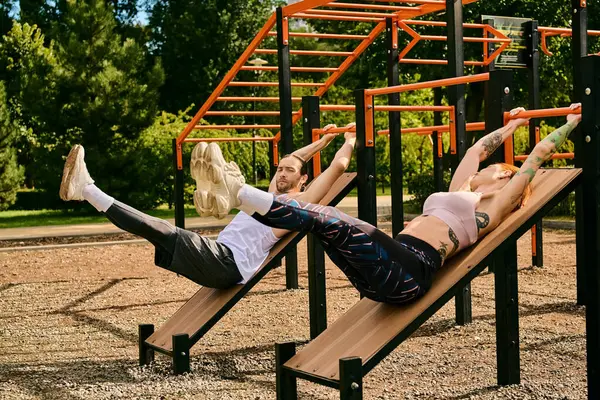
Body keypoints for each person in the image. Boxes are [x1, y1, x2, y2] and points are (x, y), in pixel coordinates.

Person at [197, 104, 582, 305]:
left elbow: (538, 157)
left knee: (329, 218)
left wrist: (570, 122)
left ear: (501, 177)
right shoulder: (460, 187)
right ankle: (238, 196)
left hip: (409, 274)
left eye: (496, 169)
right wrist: (512, 126)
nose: (486, 167)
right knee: (319, 224)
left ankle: (238, 194)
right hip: (382, 271)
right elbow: (480, 148)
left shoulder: (494, 207)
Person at [59, 123, 357, 289]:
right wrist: (323, 140)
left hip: (228, 264)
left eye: (289, 171)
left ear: (303, 180)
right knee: (156, 230)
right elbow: (294, 156)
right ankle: (227, 189)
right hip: (218, 254)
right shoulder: (271, 196)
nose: (281, 173)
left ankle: (86, 189)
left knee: (159, 227)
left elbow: (339, 167)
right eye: (279, 168)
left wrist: (349, 139)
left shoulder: (299, 205)